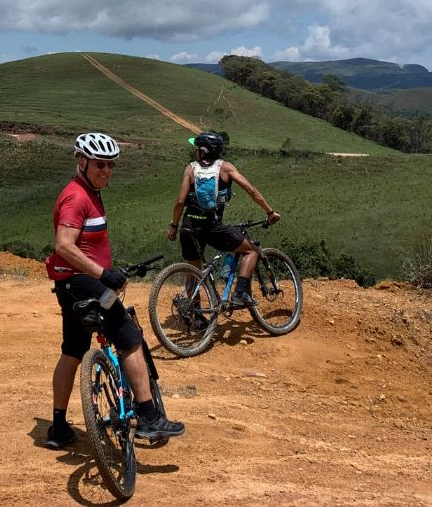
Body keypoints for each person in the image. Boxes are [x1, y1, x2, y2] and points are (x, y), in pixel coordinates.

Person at [44, 132, 185, 450]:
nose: (106, 170)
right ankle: (149, 418)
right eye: (99, 164)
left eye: (110, 165)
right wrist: (104, 274)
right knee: (130, 339)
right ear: (82, 161)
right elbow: (64, 245)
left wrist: (109, 273)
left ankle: (57, 428)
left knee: (72, 351)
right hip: (84, 284)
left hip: (71, 285)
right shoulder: (77, 196)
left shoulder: (89, 191)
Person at [166, 131, 281, 307]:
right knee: (251, 251)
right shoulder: (226, 168)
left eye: (198, 149)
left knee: (193, 269)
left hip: (189, 225)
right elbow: (250, 190)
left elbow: (180, 201)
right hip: (212, 227)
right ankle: (240, 294)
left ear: (204, 151)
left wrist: (174, 226)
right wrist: (269, 211)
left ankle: (196, 317)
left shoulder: (190, 169)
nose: (196, 152)